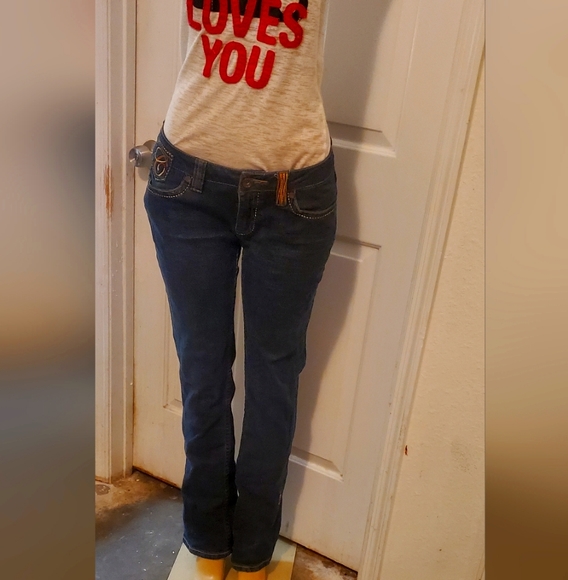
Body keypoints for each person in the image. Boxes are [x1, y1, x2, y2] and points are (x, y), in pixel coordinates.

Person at [143, 0, 336, 577]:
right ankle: (206, 544)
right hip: (186, 182)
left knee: (274, 379)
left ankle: (252, 553)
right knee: (202, 372)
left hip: (293, 192)